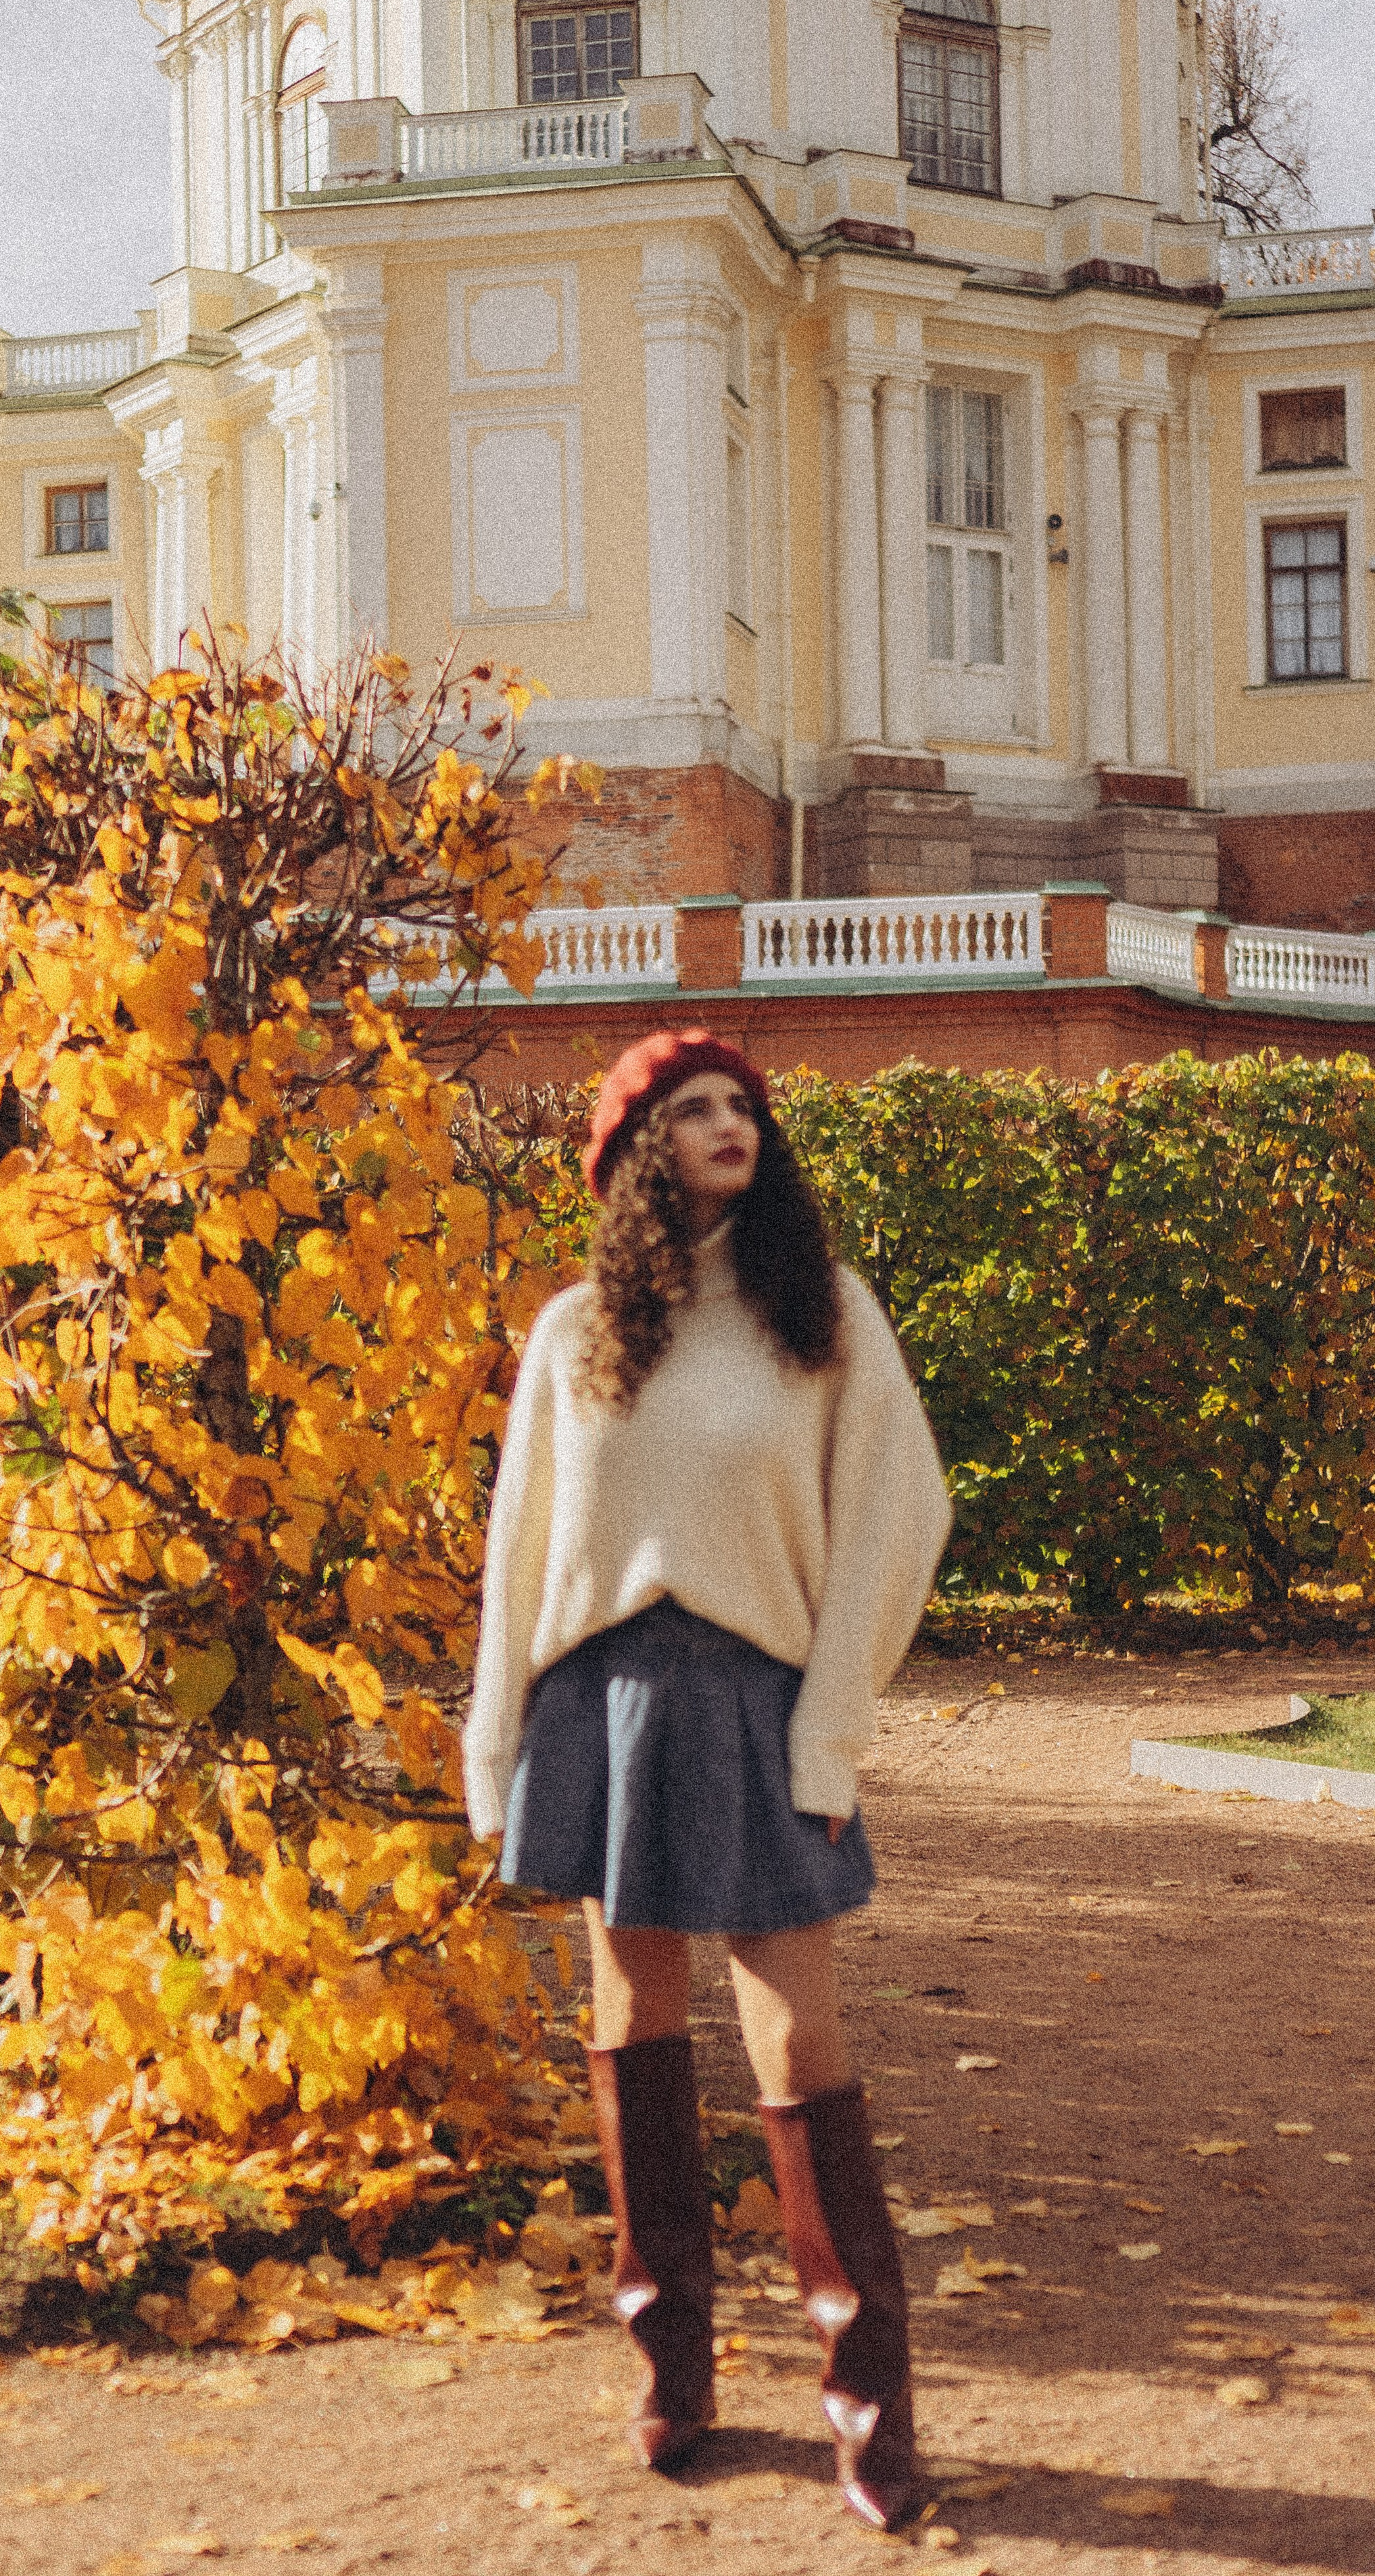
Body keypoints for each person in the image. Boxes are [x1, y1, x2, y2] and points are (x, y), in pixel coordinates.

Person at [465, 1029, 951, 2531]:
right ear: (632, 1153)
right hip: (601, 1705)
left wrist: (830, 1728)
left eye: (741, 1107)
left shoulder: (824, 1318)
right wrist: (496, 1751)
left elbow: (894, 1516)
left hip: (757, 1704)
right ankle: (671, 2369)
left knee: (798, 2045)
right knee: (633, 2021)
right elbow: (519, 1557)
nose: (728, 1125)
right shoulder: (570, 1335)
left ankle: (866, 2406)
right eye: (691, 1109)